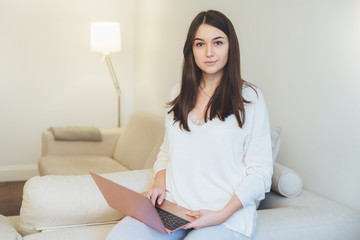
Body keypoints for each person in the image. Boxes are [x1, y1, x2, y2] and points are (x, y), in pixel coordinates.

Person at [107, 10, 273, 240]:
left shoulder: (251, 98)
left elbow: (261, 172)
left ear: (230, 46)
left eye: (217, 42)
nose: (209, 52)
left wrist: (220, 215)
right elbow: (166, 152)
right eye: (199, 44)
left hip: (222, 215)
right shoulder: (179, 92)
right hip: (174, 207)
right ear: (190, 50)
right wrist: (158, 186)